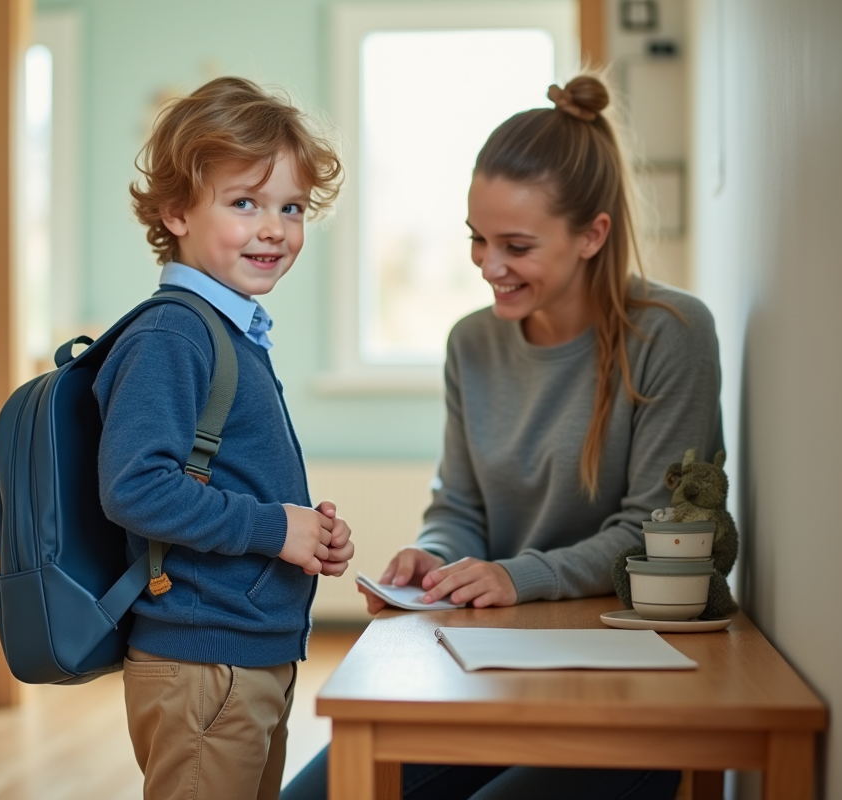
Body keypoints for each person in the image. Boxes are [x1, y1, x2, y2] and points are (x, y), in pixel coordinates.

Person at [282, 74, 721, 800]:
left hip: (635, 686)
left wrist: (518, 575)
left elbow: (658, 532)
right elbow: (460, 504)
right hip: (498, 662)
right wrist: (439, 559)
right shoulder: (471, 344)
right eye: (477, 240)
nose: (488, 266)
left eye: (516, 245)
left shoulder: (672, 335)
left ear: (592, 234)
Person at [96, 77, 354, 800]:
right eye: (245, 203)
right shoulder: (174, 333)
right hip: (204, 664)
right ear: (176, 210)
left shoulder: (227, 329)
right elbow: (135, 487)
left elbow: (224, 475)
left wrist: (303, 529)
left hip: (241, 656)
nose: (274, 227)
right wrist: (275, 527)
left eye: (291, 207)